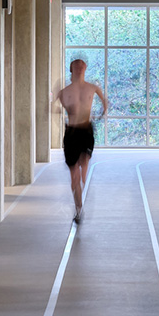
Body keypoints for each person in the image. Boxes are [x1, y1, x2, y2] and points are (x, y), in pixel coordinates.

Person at [55, 58, 108, 222]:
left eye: (81, 65)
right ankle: (78, 209)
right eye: (75, 66)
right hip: (71, 132)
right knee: (74, 176)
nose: (79, 68)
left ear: (85, 68)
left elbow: (105, 102)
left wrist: (99, 115)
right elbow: (52, 107)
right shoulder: (64, 91)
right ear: (71, 69)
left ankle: (84, 170)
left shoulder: (92, 88)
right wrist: (57, 110)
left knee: (84, 164)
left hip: (85, 130)